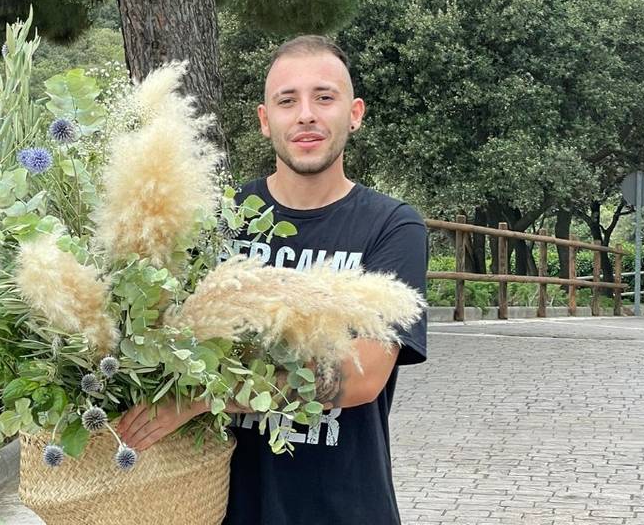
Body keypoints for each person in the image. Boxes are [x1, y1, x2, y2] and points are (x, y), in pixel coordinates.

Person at [117, 35, 428, 525]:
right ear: (265, 121)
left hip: (344, 509)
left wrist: (199, 399)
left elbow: (363, 376)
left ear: (355, 113)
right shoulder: (216, 219)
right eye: (287, 101)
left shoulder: (392, 227)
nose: (306, 114)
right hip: (219, 507)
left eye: (324, 97)